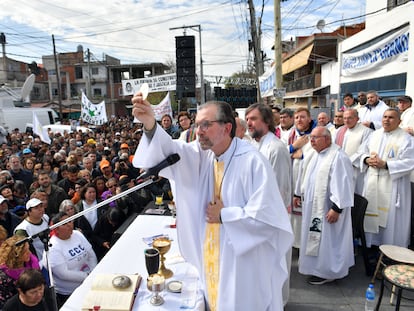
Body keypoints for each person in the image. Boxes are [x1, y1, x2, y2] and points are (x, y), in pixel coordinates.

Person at [131, 94, 293, 311]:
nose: (199, 131)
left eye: (206, 124)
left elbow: (269, 218)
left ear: (227, 128)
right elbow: (173, 152)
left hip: (240, 262)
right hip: (212, 255)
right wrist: (151, 124)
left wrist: (225, 215)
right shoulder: (205, 154)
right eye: (198, 124)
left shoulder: (253, 162)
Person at [293, 126, 354, 285]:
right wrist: (298, 194)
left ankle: (329, 271)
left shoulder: (338, 157)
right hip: (312, 206)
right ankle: (315, 268)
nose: (311, 140)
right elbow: (304, 174)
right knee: (314, 236)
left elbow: (343, 184)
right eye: (311, 137)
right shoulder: (314, 154)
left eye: (316, 137)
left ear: (327, 139)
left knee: (328, 239)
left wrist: (336, 208)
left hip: (328, 208)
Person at [245, 103, 292, 305]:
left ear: (266, 121)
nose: (249, 123)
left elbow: (280, 190)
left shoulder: (276, 148)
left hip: (272, 219)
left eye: (253, 119)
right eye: (247, 119)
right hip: (257, 216)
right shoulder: (255, 145)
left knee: (274, 269)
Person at [358, 108, 414, 248]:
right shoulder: (374, 135)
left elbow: (410, 162)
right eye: (384, 117)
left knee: (391, 222)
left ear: (399, 121)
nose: (386, 120)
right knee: (371, 214)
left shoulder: (406, 139)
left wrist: (386, 165)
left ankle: (390, 250)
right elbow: (361, 152)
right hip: (372, 181)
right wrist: (366, 160)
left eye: (391, 117)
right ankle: (371, 246)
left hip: (394, 184)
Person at [46, 212, 97, 308]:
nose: (69, 225)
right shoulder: (53, 246)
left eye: (70, 221)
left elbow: (91, 255)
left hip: (90, 282)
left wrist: (93, 272)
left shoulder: (77, 234)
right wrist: (87, 276)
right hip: (69, 292)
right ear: (56, 229)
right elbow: (63, 273)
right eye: (65, 224)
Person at [287, 107, 317, 248]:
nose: (299, 120)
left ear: (309, 119)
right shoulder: (291, 134)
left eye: (302, 117)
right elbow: (281, 152)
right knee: (292, 215)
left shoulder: (316, 134)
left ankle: (305, 244)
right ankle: (294, 243)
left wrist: (303, 155)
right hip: (291, 179)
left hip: (307, 181)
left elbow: (320, 156)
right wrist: (294, 148)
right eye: (297, 117)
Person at [335, 109, 373, 194]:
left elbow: (363, 151)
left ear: (357, 118)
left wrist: (347, 161)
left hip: (355, 170)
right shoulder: (340, 131)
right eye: (344, 118)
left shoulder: (366, 131)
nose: (346, 121)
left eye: (350, 118)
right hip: (340, 167)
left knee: (354, 193)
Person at [0, 235, 40, 309]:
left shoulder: (33, 263)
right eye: (24, 251)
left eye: (28, 249)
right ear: (15, 255)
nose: (29, 253)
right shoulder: (4, 277)